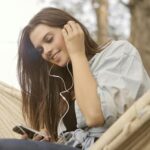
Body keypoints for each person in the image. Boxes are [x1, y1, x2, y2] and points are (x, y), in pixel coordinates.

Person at [8, 7, 150, 150]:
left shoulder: (118, 53)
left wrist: (77, 53)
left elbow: (94, 115)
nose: (47, 51)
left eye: (49, 39)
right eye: (40, 50)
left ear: (70, 29)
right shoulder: (63, 90)